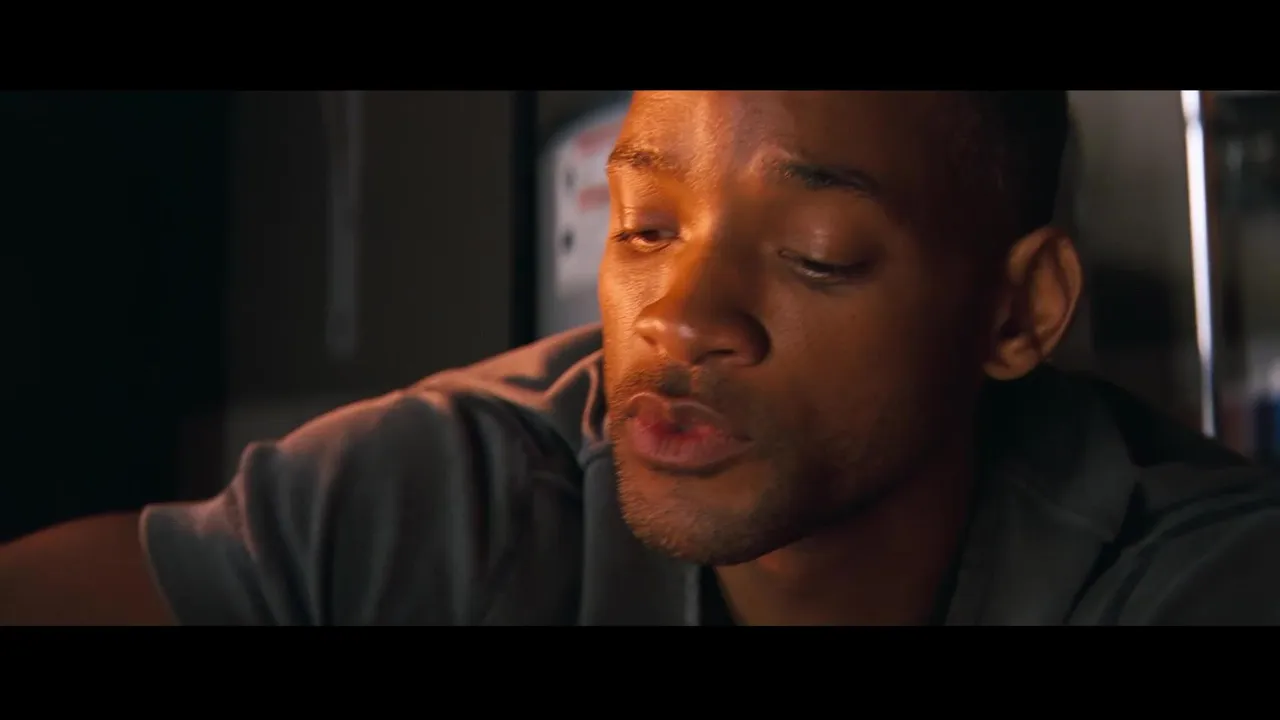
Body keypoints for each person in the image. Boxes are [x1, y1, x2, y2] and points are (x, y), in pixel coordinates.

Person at [2, 90, 1278, 625]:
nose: (677, 317)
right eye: (645, 229)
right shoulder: (468, 489)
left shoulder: (1197, 576)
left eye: (816, 254)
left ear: (1017, 313)